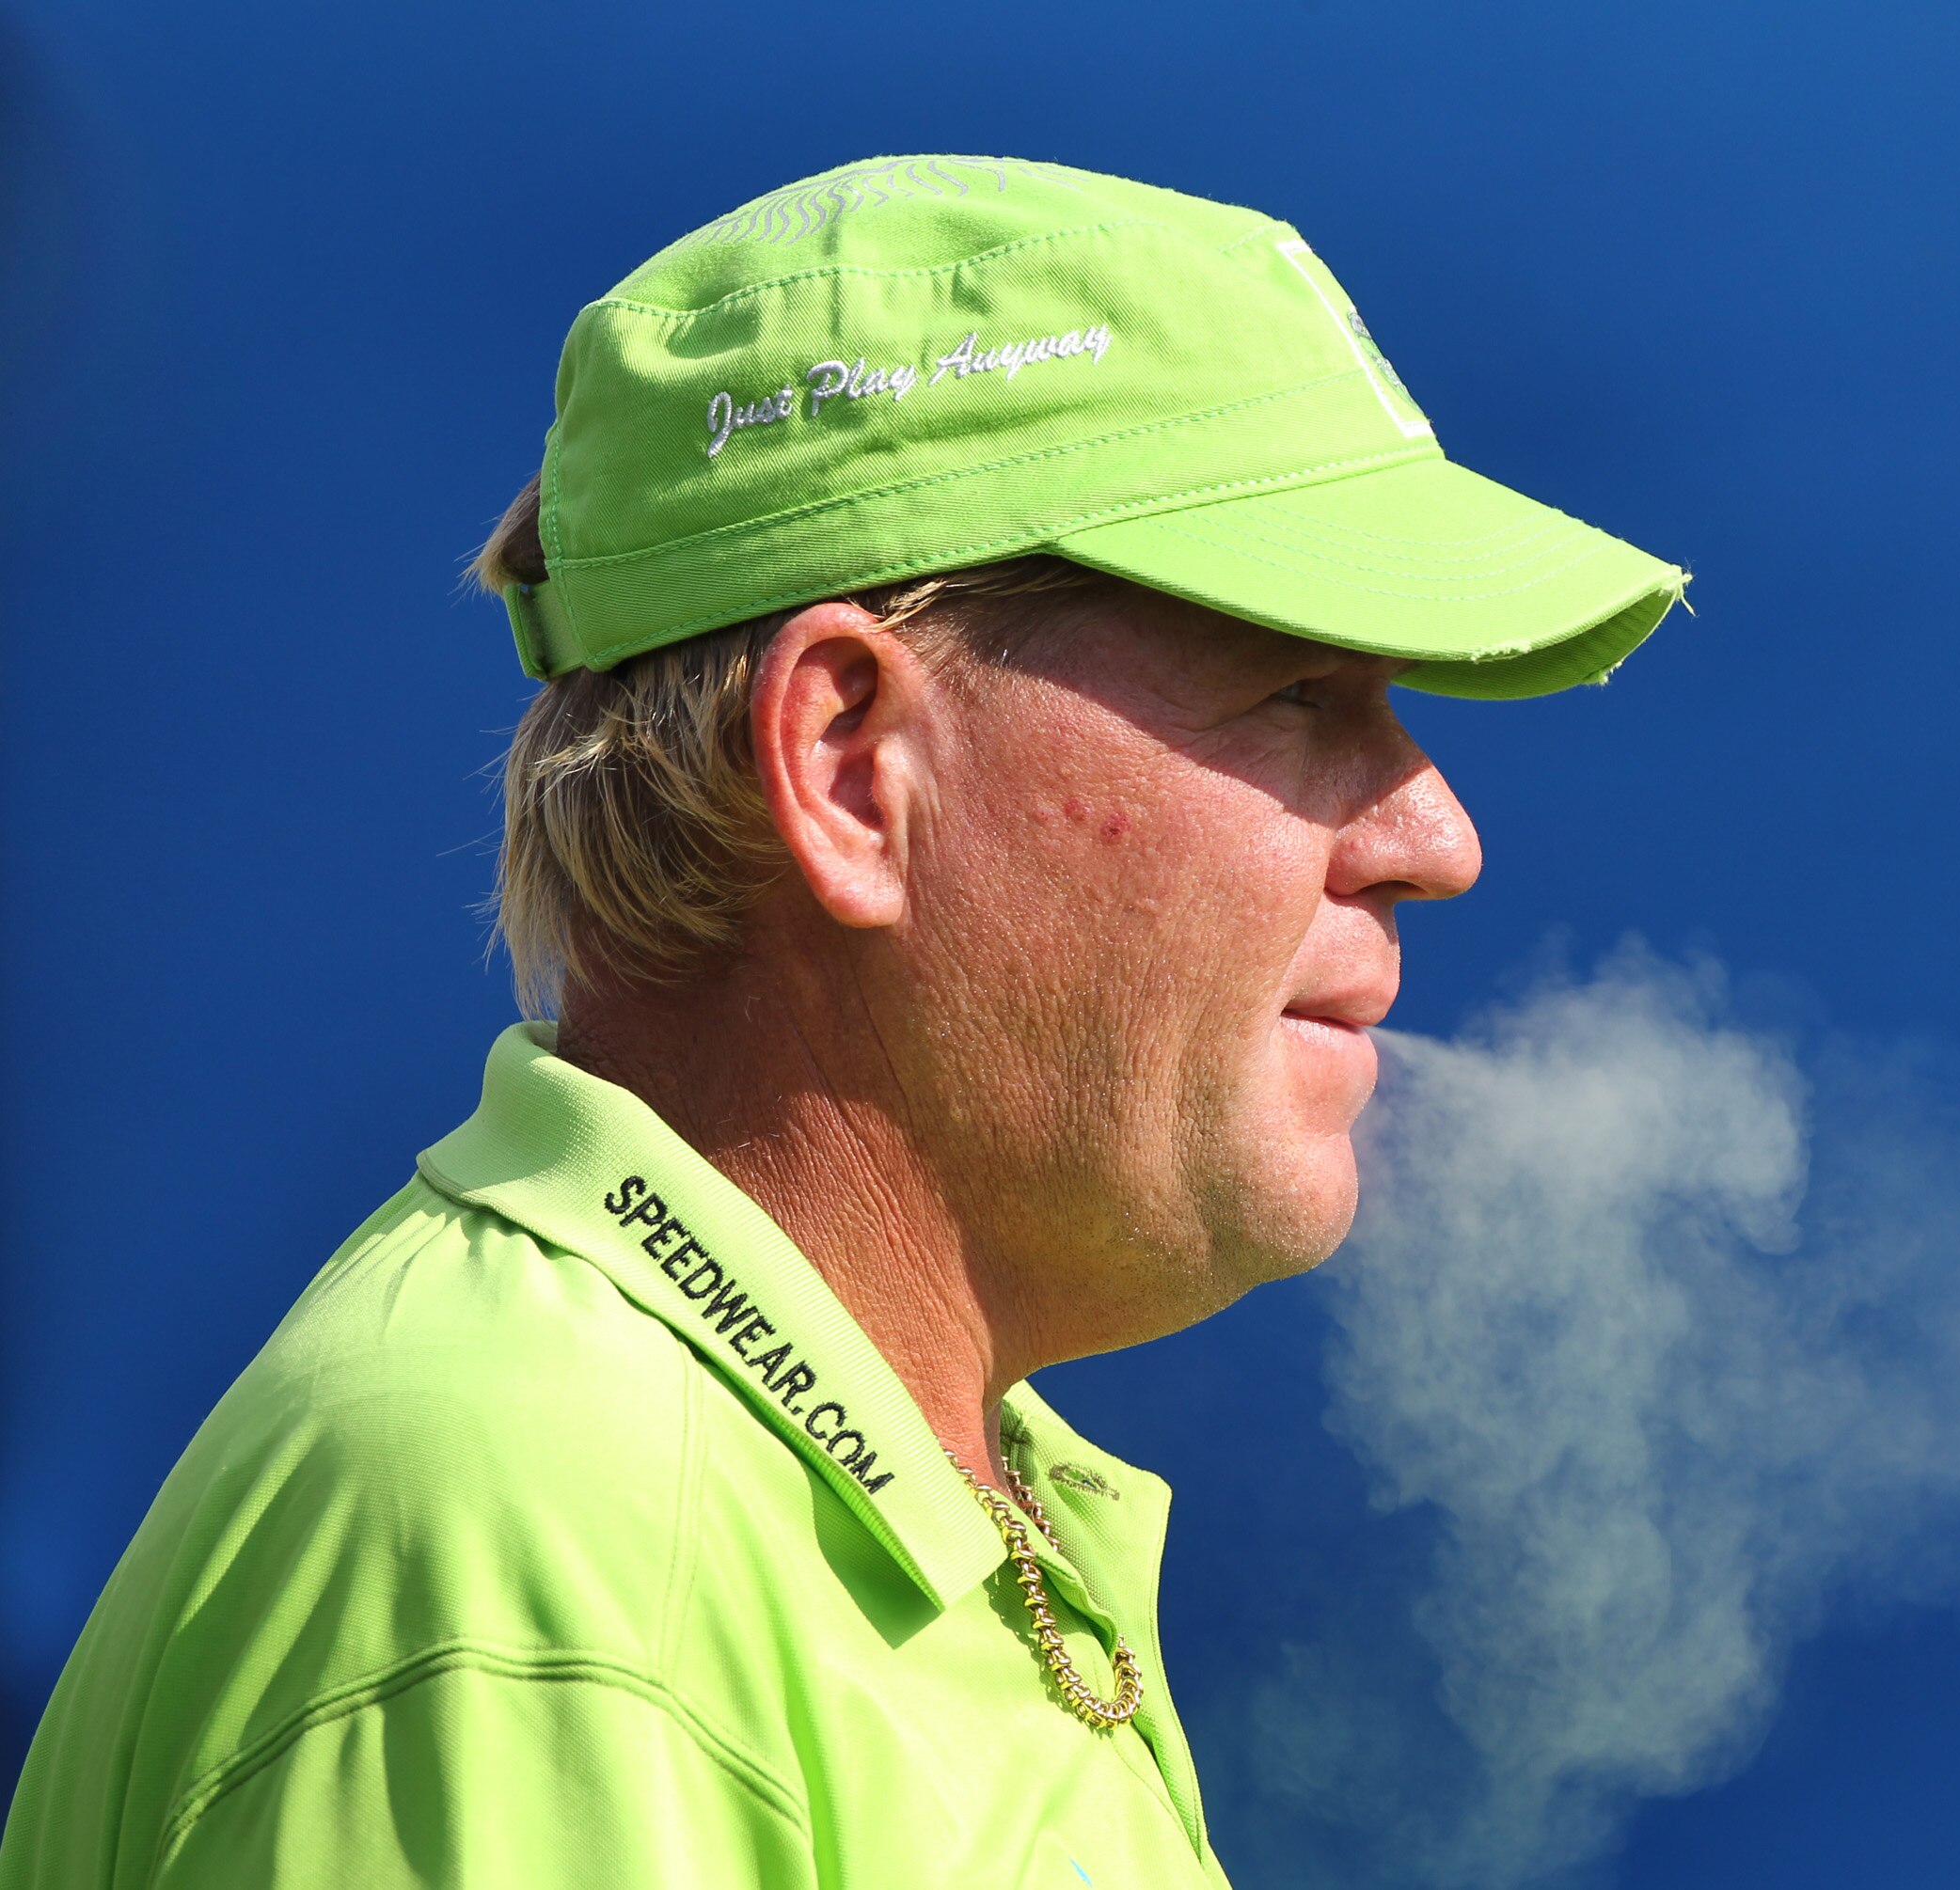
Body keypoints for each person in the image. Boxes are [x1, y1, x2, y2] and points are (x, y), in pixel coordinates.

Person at [0, 154, 1681, 1888]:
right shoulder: (547, 1549)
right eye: (1299, 690)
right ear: (849, 768)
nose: (1436, 838)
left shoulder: (817, 1492)